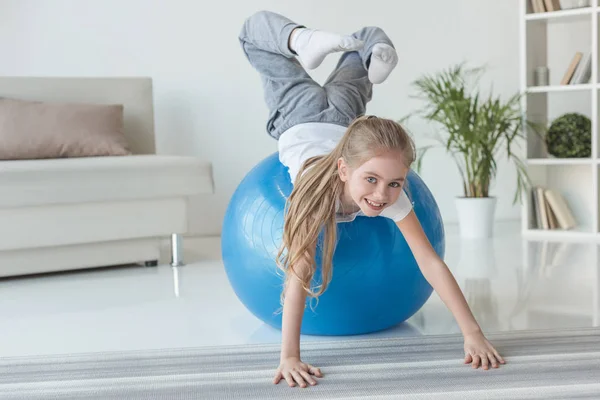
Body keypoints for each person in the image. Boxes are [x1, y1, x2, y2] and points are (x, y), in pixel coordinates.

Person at [238, 10, 505, 389]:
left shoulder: (388, 189)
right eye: (372, 180)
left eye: (396, 183)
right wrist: (289, 357)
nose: (382, 195)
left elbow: (430, 262)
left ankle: (335, 45)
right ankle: (302, 41)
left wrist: (473, 332)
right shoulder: (315, 195)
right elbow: (298, 273)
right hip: (300, 116)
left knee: (363, 39)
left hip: (346, 119)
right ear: (344, 171)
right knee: (252, 34)